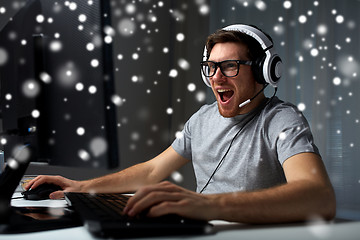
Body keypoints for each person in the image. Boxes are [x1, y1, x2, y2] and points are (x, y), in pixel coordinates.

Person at [26, 24, 336, 224]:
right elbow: (151, 171)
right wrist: (83, 188)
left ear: (263, 72)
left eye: (230, 66)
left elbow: (318, 197)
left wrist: (209, 205)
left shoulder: (282, 119)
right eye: (211, 68)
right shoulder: (202, 118)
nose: (216, 77)